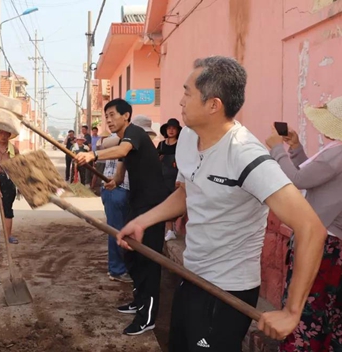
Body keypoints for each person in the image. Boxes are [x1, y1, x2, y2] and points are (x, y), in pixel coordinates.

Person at [116, 56, 327, 351]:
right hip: (192, 277)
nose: (181, 100)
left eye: (187, 93)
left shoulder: (246, 155)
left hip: (228, 291)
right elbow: (190, 191)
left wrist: (292, 312)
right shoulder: (190, 137)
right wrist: (143, 221)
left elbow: (311, 228)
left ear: (213, 105)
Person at [75, 99, 169, 336]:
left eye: (112, 115)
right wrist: (114, 181)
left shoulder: (134, 133)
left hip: (153, 206)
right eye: (106, 116)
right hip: (137, 204)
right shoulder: (124, 140)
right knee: (131, 253)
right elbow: (122, 165)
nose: (108, 119)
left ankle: (147, 317)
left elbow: (123, 151)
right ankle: (139, 301)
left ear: (126, 116)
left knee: (147, 260)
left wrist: (93, 155)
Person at [265, 96, 342, 351]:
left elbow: (296, 179)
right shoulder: (335, 151)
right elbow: (311, 176)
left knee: (307, 307)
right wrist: (295, 149)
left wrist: (277, 149)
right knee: (327, 312)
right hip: (330, 242)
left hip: (323, 243)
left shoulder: (338, 153)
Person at [100, 135, 132, 283]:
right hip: (115, 189)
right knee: (116, 231)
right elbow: (104, 144)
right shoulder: (118, 140)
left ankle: (121, 267)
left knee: (122, 230)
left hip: (122, 190)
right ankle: (117, 270)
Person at [0, 129, 20, 244]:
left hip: (8, 181)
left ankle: (9, 236)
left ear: (9, 135)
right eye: (1, 133)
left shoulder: (14, 150)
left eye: (6, 133)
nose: (3, 136)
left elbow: (19, 166)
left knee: (7, 209)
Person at [157, 118, 182, 242]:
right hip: (163, 178)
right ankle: (170, 230)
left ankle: (175, 228)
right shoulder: (161, 145)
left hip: (176, 178)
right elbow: (156, 161)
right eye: (169, 128)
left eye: (174, 128)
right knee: (165, 203)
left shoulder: (181, 145)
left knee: (177, 204)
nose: (171, 131)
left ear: (177, 130)